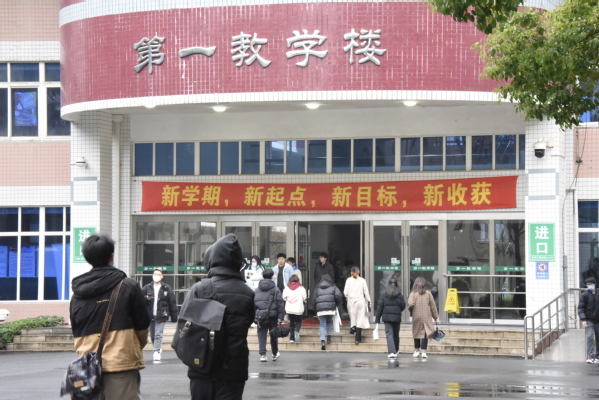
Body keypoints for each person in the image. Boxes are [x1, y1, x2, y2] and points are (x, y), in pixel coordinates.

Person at [70, 233, 150, 400]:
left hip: (86, 370)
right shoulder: (128, 286)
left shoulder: (78, 294)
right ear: (111, 256)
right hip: (121, 366)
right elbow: (142, 327)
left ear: (87, 258)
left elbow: (76, 331)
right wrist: (129, 349)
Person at [183, 233, 255, 400]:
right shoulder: (248, 293)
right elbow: (248, 321)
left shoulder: (200, 288)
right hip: (234, 368)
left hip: (202, 365)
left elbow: (184, 322)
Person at [142, 268, 177, 361]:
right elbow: (140, 299)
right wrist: (146, 298)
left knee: (158, 334)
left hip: (162, 314)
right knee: (153, 335)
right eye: (154, 274)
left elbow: (172, 302)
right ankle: (157, 348)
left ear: (162, 276)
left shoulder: (166, 288)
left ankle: (156, 351)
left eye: (158, 274)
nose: (156, 276)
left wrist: (174, 316)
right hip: (150, 314)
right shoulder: (147, 287)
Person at [254, 268, 285, 362]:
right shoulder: (275, 289)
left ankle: (263, 355)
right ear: (272, 277)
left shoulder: (257, 289)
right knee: (273, 334)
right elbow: (280, 303)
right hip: (272, 315)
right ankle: (274, 353)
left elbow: (253, 303)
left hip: (261, 316)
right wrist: (281, 316)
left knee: (261, 334)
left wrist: (254, 316)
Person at [408, 276, 439, 359]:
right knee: (425, 333)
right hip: (426, 316)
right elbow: (433, 306)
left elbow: (410, 304)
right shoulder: (428, 293)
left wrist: (411, 310)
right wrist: (436, 317)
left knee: (416, 333)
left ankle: (416, 351)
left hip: (416, 316)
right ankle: (424, 352)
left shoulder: (413, 293)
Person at [375, 278, 406, 359]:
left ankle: (391, 352)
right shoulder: (399, 294)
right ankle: (396, 350)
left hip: (387, 318)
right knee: (396, 334)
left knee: (389, 334)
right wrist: (398, 311)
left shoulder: (384, 294)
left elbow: (380, 307)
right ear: (396, 284)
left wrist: (377, 319)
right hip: (397, 317)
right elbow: (403, 305)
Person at [314, 274, 343, 350]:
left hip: (321, 309)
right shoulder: (333, 286)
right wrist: (337, 304)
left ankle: (323, 341)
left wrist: (315, 309)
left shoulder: (318, 287)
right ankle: (329, 337)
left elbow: (314, 299)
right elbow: (338, 295)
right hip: (331, 308)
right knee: (329, 322)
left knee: (322, 324)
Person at [344, 266, 371, 345]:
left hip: (351, 301)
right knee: (360, 319)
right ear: (358, 272)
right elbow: (366, 292)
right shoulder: (362, 280)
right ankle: (357, 339)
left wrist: (348, 297)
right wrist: (369, 301)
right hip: (360, 301)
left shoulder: (348, 280)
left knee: (353, 317)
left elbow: (345, 292)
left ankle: (353, 327)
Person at [578, 276, 599, 364]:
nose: (589, 286)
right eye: (587, 284)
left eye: (590, 284)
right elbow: (581, 308)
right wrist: (583, 319)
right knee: (589, 337)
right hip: (589, 320)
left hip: (598, 320)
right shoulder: (585, 295)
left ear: (594, 284)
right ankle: (591, 356)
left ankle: (597, 355)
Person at [282, 274, 307, 342]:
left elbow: (284, 297)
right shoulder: (301, 288)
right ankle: (297, 331)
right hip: (298, 309)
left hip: (289, 309)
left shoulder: (287, 288)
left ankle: (291, 338)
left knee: (291, 323)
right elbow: (305, 298)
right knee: (298, 321)